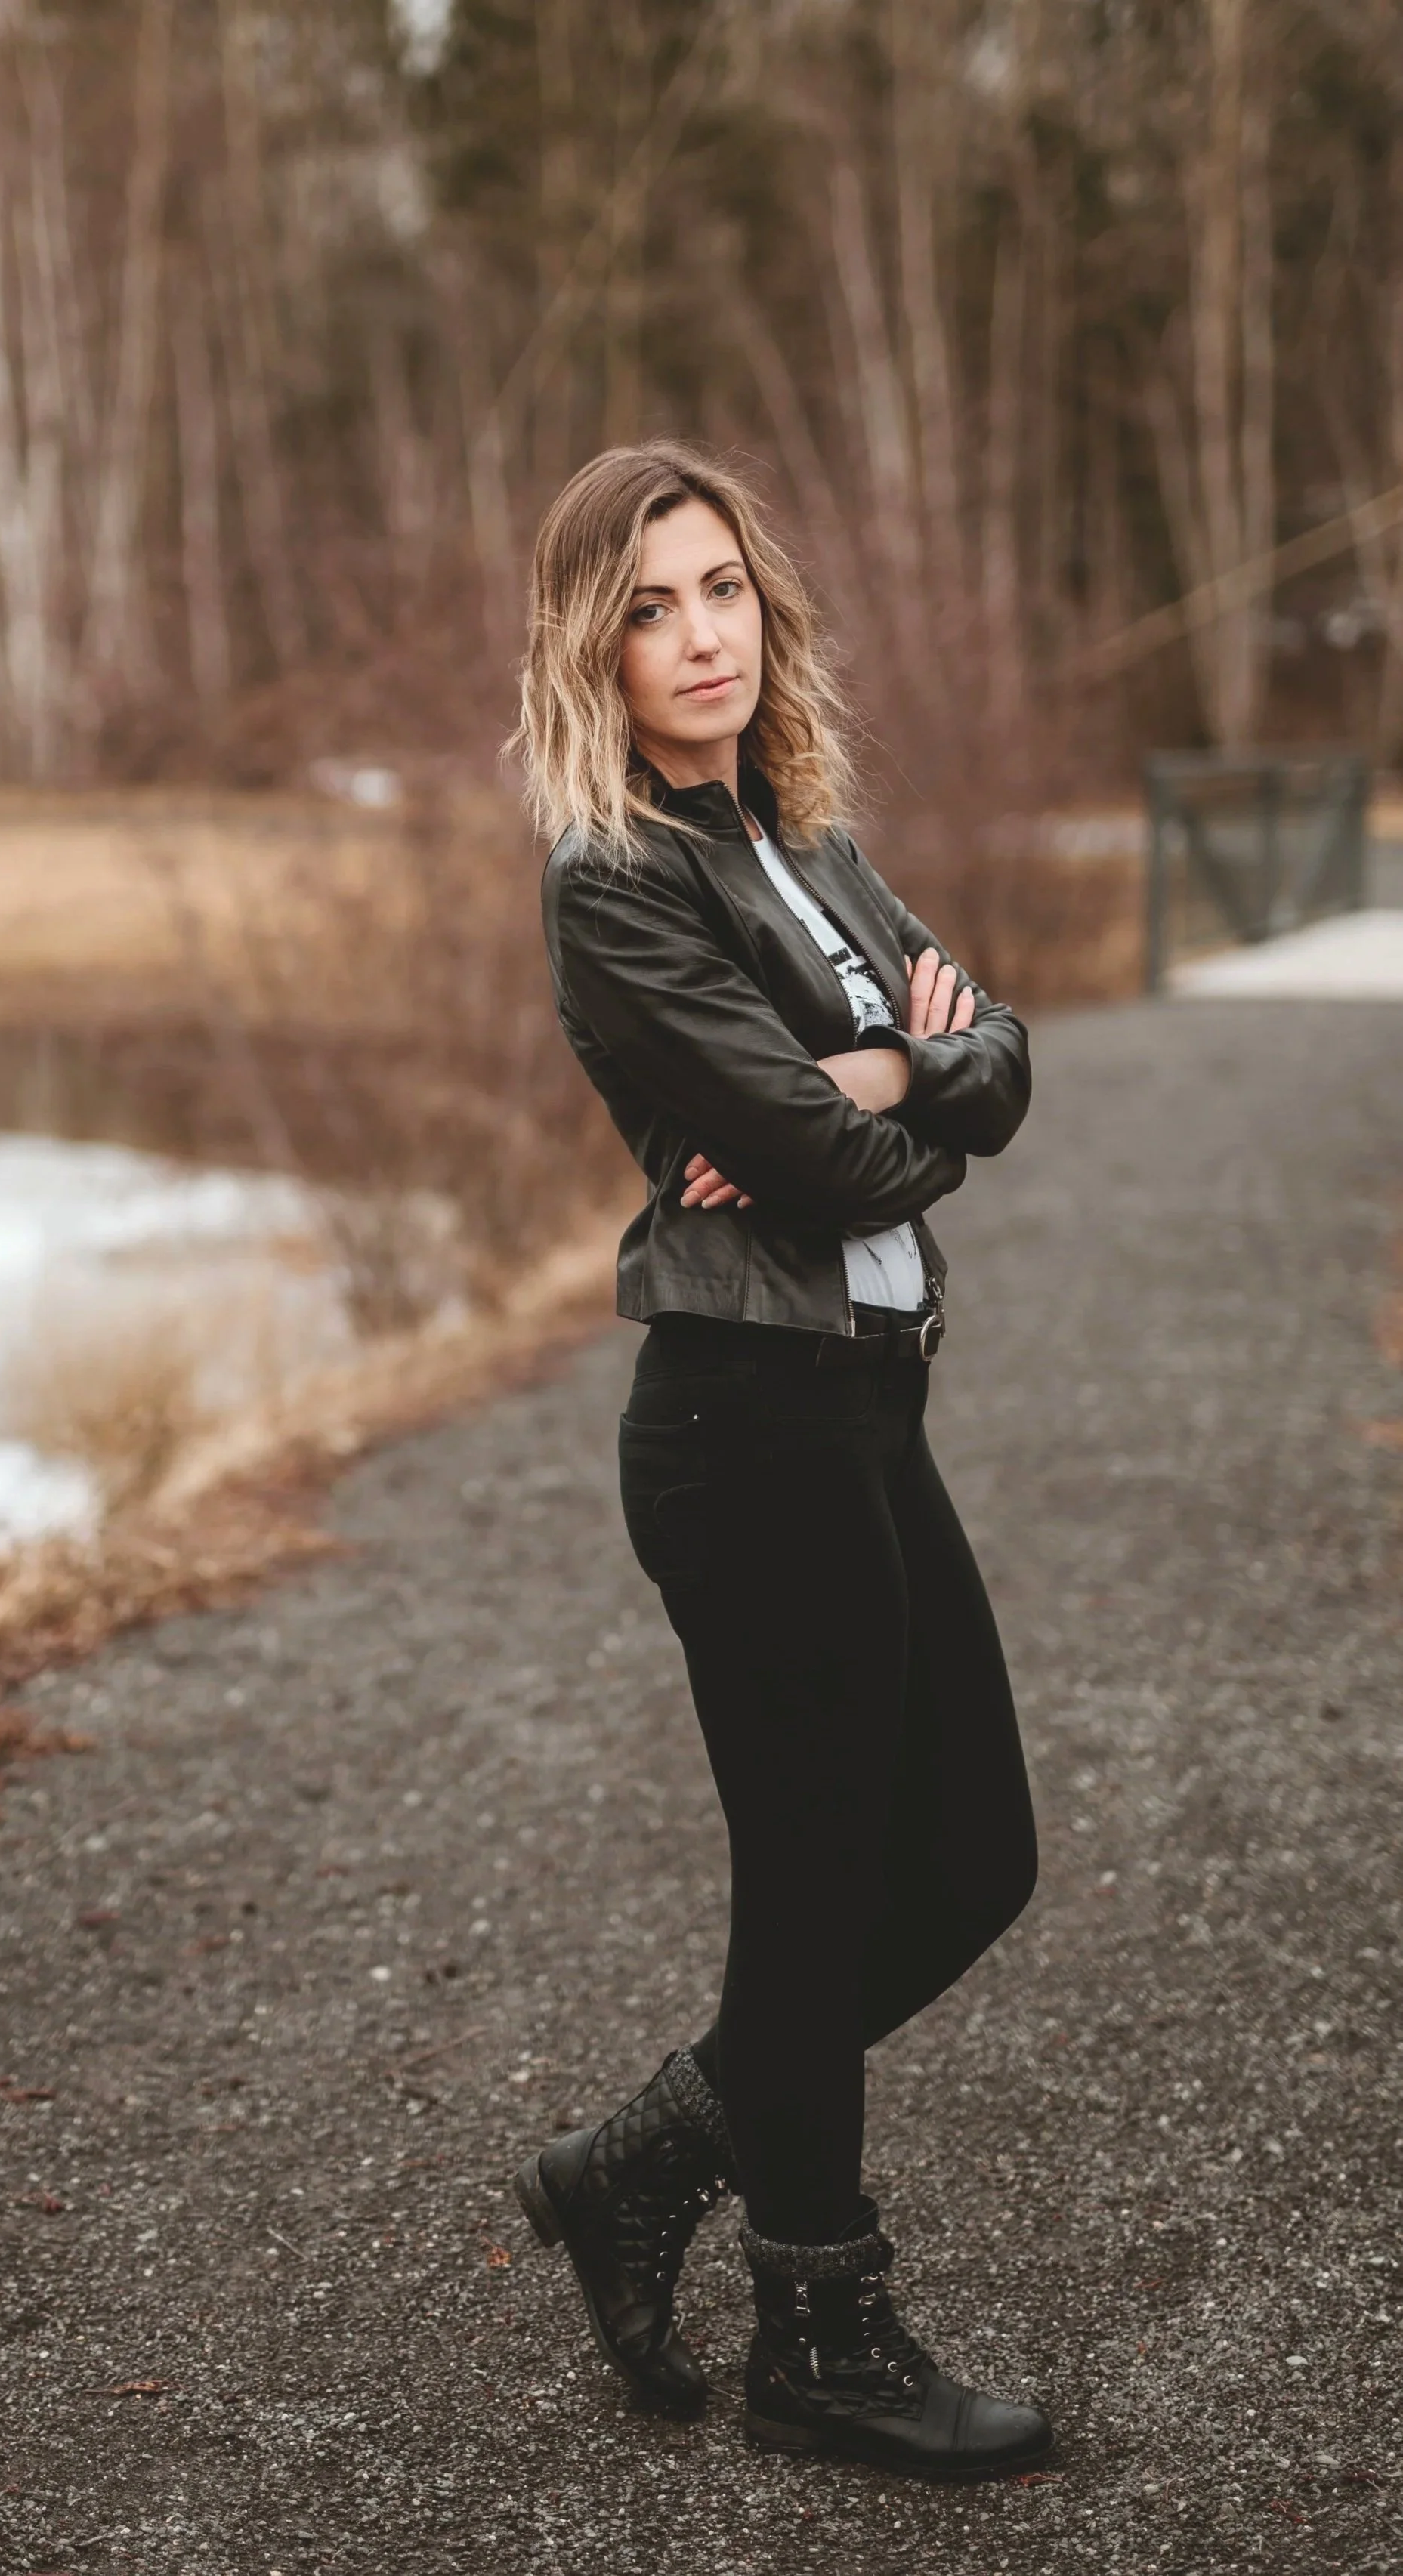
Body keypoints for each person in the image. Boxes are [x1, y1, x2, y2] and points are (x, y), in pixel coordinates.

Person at [508, 440, 1049, 2480]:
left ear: (766, 603)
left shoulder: (803, 838)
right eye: (648, 609)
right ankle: (822, 2333)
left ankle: (643, 2157)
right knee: (816, 1892)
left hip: (864, 1404)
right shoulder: (615, 884)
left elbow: (1003, 1059)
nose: (699, 636)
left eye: (720, 587)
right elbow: (837, 1166)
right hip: (745, 1427)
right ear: (595, 650)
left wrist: (889, 1066)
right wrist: (889, 1101)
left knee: (977, 1856)